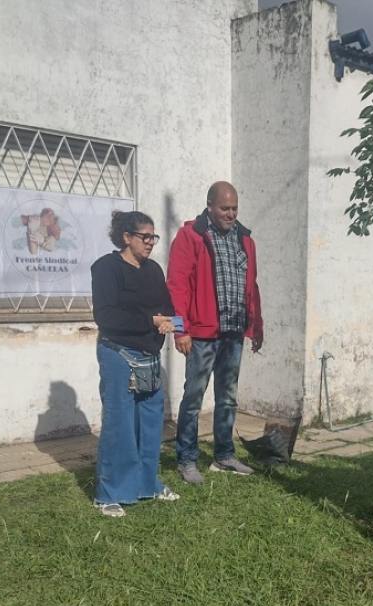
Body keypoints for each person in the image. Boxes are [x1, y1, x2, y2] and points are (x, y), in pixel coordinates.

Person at [166, 181, 263, 485]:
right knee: (193, 398)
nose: (231, 214)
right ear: (210, 206)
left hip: (233, 334)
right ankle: (186, 459)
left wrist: (256, 325)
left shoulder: (245, 240)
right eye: (225, 208)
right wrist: (179, 330)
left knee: (228, 398)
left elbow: (251, 286)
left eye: (234, 208)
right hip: (200, 335)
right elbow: (176, 285)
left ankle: (224, 455)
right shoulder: (190, 236)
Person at [90, 210, 181, 517]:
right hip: (119, 354)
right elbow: (106, 316)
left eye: (153, 237)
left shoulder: (153, 270)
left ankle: (147, 484)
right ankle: (110, 493)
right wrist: (150, 320)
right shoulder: (106, 268)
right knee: (120, 424)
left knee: (151, 423)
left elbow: (167, 307)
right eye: (145, 237)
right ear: (126, 237)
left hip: (150, 356)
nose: (150, 242)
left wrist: (171, 322)